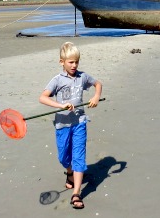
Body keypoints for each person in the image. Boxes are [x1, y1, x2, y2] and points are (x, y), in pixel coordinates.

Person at [39, 42, 103, 210]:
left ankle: (77, 193)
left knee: (79, 157)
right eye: (70, 62)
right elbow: (43, 98)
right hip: (62, 125)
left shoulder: (83, 77)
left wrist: (96, 96)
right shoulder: (57, 80)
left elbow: (98, 84)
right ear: (62, 62)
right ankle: (69, 173)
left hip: (80, 123)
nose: (74, 65)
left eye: (76, 62)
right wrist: (61, 106)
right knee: (63, 157)